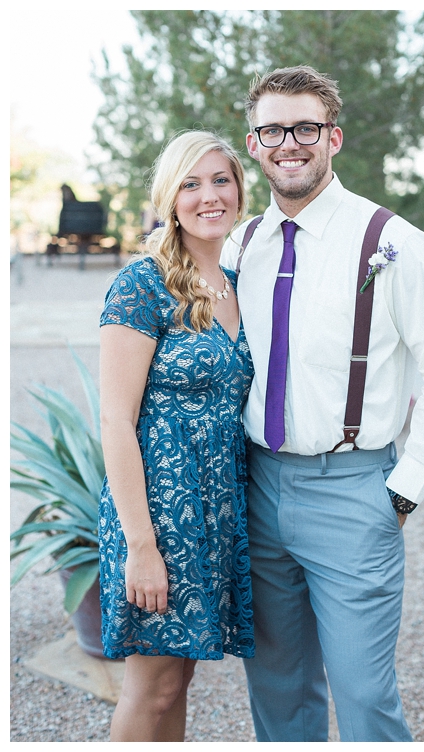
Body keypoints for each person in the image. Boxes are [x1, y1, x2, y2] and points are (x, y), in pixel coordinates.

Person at [220, 66, 424, 742]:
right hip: (257, 486)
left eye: (305, 127)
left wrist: (403, 490)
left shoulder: (395, 245)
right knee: (277, 690)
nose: (289, 143)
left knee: (365, 698)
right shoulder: (239, 246)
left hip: (354, 492)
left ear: (332, 137)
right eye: (272, 129)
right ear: (254, 144)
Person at [98, 131, 253, 741]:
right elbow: (114, 419)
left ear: (240, 190)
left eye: (221, 180)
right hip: (159, 514)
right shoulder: (143, 284)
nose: (208, 196)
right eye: (191, 183)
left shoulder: (240, 283)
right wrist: (141, 545)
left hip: (216, 511)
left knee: (176, 683)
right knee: (153, 687)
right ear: (170, 197)